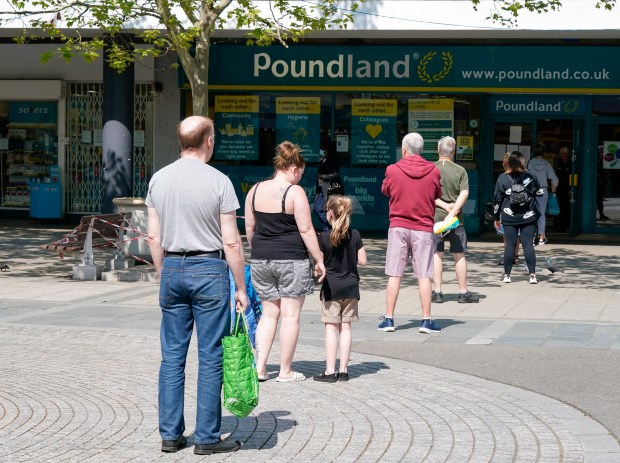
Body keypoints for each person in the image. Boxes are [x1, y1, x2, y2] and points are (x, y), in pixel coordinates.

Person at [146, 116, 248, 456]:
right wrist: (241, 287)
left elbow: (154, 237)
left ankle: (170, 435)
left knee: (172, 356)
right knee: (211, 356)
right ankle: (206, 438)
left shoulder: (159, 179)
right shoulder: (219, 181)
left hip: (173, 264)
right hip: (210, 269)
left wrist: (165, 271)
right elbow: (232, 242)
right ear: (208, 141)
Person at [244, 141, 326, 383]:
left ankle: (260, 367)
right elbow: (307, 230)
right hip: (291, 259)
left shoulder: (255, 190)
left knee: (269, 315)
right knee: (290, 316)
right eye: (300, 172)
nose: (300, 177)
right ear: (293, 168)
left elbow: (250, 227)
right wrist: (319, 259)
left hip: (261, 259)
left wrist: (258, 248)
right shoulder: (295, 193)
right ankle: (285, 370)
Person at [378, 132, 442, 333]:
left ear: (404, 149)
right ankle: (426, 320)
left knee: (394, 273)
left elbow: (386, 190)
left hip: (398, 226)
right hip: (423, 228)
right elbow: (436, 194)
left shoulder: (393, 169)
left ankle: (389, 320)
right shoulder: (433, 170)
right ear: (421, 150)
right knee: (424, 275)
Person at [313, 195, 367, 383]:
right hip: (351, 287)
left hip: (331, 288)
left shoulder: (324, 238)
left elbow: (319, 263)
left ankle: (329, 371)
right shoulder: (355, 235)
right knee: (346, 328)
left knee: (330, 329)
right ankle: (343, 370)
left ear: (329, 214)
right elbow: (363, 261)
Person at [431, 136, 479, 304]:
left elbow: (428, 194)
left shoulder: (430, 169)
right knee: (459, 254)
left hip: (435, 218)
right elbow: (464, 193)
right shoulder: (460, 170)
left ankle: (437, 292)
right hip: (456, 220)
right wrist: (453, 211)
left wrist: (444, 207)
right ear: (453, 153)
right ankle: (463, 292)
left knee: (437, 254)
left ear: (438, 150)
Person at [493, 151, 542, 284]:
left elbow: (497, 199)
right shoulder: (529, 176)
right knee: (528, 245)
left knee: (510, 245)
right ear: (521, 162)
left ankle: (507, 275)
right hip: (529, 215)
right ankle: (532, 275)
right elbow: (538, 192)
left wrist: (496, 217)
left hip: (509, 216)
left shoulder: (502, 178)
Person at [527, 142, 558, 245]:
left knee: (531, 213)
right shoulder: (546, 164)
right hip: (542, 191)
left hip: (532, 190)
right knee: (541, 214)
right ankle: (541, 237)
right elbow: (554, 179)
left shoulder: (530, 163)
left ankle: (531, 236)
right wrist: (553, 187)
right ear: (543, 152)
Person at [496, 152, 520, 265]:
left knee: (506, 235)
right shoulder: (522, 176)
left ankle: (508, 256)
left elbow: (497, 196)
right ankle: (515, 256)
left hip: (506, 209)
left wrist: (496, 215)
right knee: (517, 234)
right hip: (520, 210)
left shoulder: (502, 177)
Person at [313, 140, 343, 231]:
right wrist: (317, 191)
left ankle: (329, 229)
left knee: (322, 209)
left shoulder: (332, 159)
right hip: (322, 188)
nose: (321, 150)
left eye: (323, 148)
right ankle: (329, 229)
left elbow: (335, 174)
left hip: (329, 188)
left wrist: (323, 176)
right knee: (319, 209)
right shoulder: (323, 159)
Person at [555, 146, 573, 231]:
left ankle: (568, 226)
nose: (563, 155)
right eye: (562, 153)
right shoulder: (557, 163)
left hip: (569, 190)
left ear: (568, 154)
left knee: (568, 209)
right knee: (559, 208)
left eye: (565, 153)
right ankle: (560, 227)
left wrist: (572, 189)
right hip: (559, 189)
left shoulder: (572, 163)